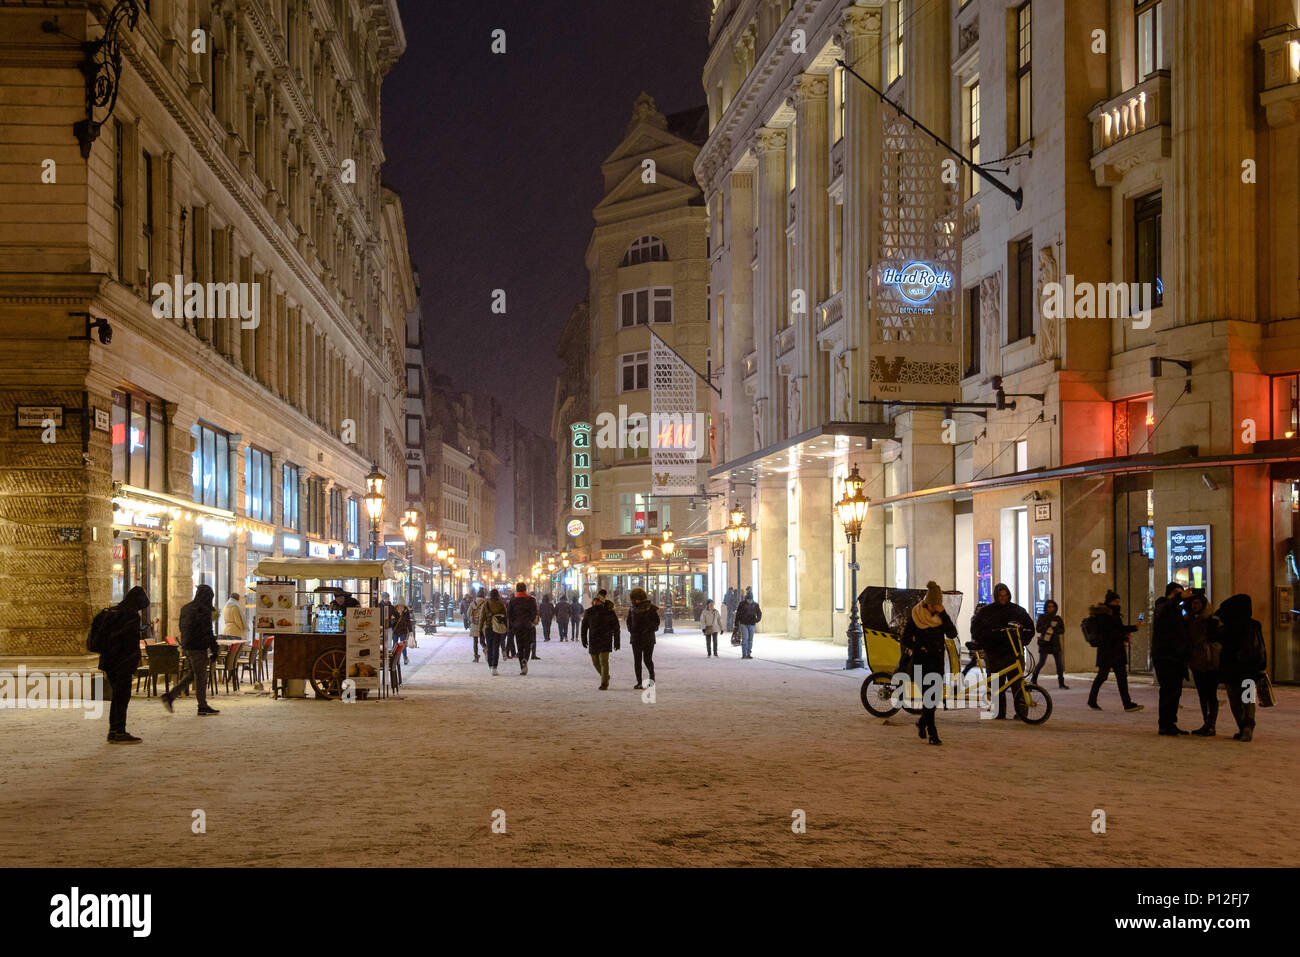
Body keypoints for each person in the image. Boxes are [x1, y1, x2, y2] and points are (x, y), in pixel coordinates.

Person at [901, 581, 958, 746]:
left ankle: (922, 722)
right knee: (929, 697)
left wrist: (944, 615)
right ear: (927, 603)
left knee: (934, 698)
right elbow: (905, 639)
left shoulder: (941, 616)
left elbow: (952, 633)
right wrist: (920, 647)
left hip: (937, 661)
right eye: (933, 605)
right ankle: (933, 734)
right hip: (921, 660)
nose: (935, 609)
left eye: (938, 606)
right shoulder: (916, 614)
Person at [94, 586, 151, 744]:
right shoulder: (131, 615)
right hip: (122, 662)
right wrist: (133, 662)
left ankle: (114, 730)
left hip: (109, 661)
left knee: (117, 696)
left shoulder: (114, 612)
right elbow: (129, 642)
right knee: (122, 697)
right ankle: (119, 731)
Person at [970, 582, 1035, 719]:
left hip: (1014, 654)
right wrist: (987, 640)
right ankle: (999, 712)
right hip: (994, 654)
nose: (1003, 598)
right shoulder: (987, 612)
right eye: (1000, 596)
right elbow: (976, 630)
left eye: (1005, 595)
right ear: (996, 596)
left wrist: (1021, 640)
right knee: (996, 685)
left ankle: (1021, 713)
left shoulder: (1018, 611)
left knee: (1017, 684)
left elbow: (1029, 628)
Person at [162, 584, 221, 716]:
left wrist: (184, 643)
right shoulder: (203, 610)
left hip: (187, 646)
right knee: (200, 677)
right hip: (198, 647)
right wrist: (214, 649)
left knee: (193, 675)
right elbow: (207, 631)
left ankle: (171, 696)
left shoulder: (186, 608)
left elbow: (181, 627)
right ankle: (202, 706)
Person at [1215, 593, 1264, 742]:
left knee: (1235, 699)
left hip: (1232, 669)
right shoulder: (1255, 625)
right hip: (1250, 669)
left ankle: (1242, 726)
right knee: (1248, 698)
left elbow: (1213, 636)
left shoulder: (1228, 627)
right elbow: (1261, 647)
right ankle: (1248, 725)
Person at [1085, 590, 1144, 712]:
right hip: (1110, 651)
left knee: (1115, 677)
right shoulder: (1106, 615)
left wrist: (1125, 634)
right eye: (1116, 601)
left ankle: (1125, 703)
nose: (1118, 603)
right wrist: (1134, 628)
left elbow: (1116, 630)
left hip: (1111, 651)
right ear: (1110, 601)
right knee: (1105, 677)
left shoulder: (1110, 613)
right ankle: (1124, 704)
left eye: (1118, 601)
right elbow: (1115, 631)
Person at [1151, 582, 1191, 735]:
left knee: (1175, 691)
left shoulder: (1177, 608)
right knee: (1168, 690)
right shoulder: (1162, 605)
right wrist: (1180, 597)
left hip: (1176, 656)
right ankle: (1165, 724)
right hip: (1165, 656)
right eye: (1179, 593)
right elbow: (1164, 609)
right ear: (1174, 593)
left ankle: (1171, 722)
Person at [1185, 590, 1222, 735]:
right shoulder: (1189, 620)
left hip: (1211, 661)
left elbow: (1218, 640)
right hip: (1197, 661)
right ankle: (1206, 722)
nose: (1195, 606)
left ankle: (1211, 724)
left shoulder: (1212, 620)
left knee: (1211, 694)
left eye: (1197, 603)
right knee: (1202, 694)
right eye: (1193, 603)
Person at [581, 591, 620, 690]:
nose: (595, 602)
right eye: (595, 600)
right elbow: (584, 626)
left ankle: (604, 683)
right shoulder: (589, 611)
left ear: (602, 602)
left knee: (604, 661)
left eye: (597, 601)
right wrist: (583, 638)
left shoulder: (609, 612)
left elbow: (616, 628)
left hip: (605, 639)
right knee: (595, 662)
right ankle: (605, 675)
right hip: (593, 640)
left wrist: (616, 641)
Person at [626, 587, 660, 689]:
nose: (637, 601)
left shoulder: (651, 608)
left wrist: (648, 629)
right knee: (637, 660)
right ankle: (639, 682)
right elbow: (628, 621)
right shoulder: (632, 608)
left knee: (647, 659)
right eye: (635, 599)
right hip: (636, 638)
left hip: (648, 638)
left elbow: (656, 622)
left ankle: (651, 678)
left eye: (638, 598)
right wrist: (631, 629)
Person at [1030, 598, 1067, 689]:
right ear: (1046, 608)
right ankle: (1033, 680)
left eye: (1052, 607)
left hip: (1055, 644)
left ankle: (1061, 683)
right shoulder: (1042, 617)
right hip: (1045, 643)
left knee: (1059, 664)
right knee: (1041, 663)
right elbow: (1038, 629)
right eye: (1049, 607)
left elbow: (1062, 630)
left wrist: (1055, 629)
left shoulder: (1057, 618)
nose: (1051, 608)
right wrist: (1047, 625)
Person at [507, 582, 539, 675]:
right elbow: (534, 612)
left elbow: (509, 614)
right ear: (525, 589)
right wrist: (531, 621)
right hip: (528, 626)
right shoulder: (531, 599)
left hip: (517, 626)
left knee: (520, 646)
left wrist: (513, 623)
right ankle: (526, 659)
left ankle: (522, 666)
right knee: (528, 644)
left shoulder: (512, 601)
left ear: (516, 589)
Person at [481, 589, 508, 675]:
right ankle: (494, 667)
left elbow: (482, 618)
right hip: (498, 628)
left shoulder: (486, 604)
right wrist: (506, 628)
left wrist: (480, 630)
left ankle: (490, 665)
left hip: (489, 628)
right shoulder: (501, 604)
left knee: (489, 646)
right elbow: (505, 617)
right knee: (496, 648)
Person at [733, 587, 762, 659]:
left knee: (750, 639)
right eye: (748, 599)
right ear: (746, 599)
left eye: (751, 599)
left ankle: (749, 653)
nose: (750, 601)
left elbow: (759, 613)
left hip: (752, 623)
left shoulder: (755, 605)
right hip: (744, 623)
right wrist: (736, 623)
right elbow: (738, 614)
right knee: (745, 638)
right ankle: (744, 654)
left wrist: (757, 619)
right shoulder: (742, 604)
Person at [468, 588, 487, 663]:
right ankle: (485, 648)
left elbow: (468, 613)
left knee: (475, 641)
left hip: (475, 624)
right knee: (482, 640)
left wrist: (472, 619)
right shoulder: (486, 603)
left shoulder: (473, 603)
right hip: (483, 624)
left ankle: (476, 657)